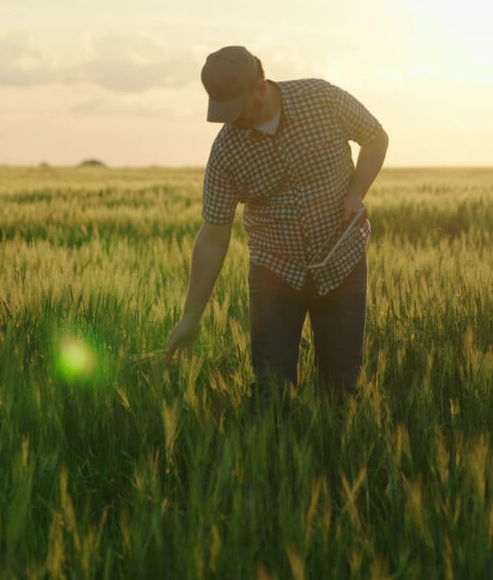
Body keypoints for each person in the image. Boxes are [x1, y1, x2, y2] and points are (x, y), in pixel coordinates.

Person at [163, 45, 389, 412]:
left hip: (342, 263)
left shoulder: (320, 98)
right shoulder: (225, 153)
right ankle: (271, 463)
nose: (230, 120)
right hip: (274, 274)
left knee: (344, 389)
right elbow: (213, 235)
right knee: (269, 392)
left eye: (236, 107)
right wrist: (191, 316)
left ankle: (334, 464)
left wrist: (355, 194)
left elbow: (376, 137)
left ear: (260, 86)